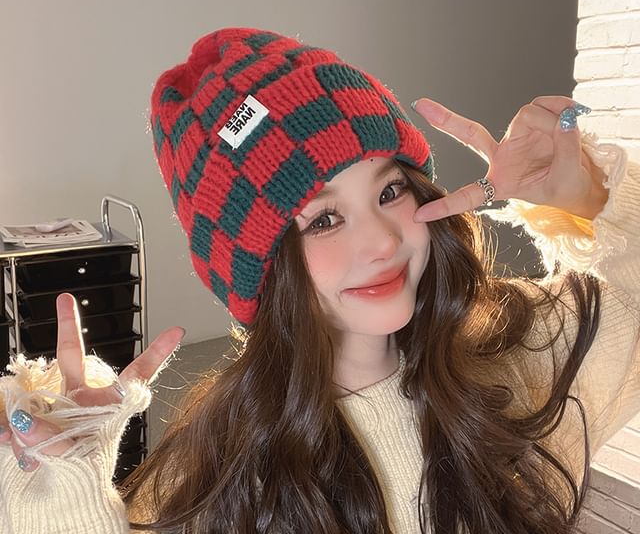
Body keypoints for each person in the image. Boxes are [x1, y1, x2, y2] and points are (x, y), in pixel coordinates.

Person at [0, 27, 638, 534]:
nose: (382, 242)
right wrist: (67, 497)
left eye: (390, 191)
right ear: (258, 270)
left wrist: (593, 198)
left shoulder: (520, 356)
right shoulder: (221, 476)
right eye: (324, 219)